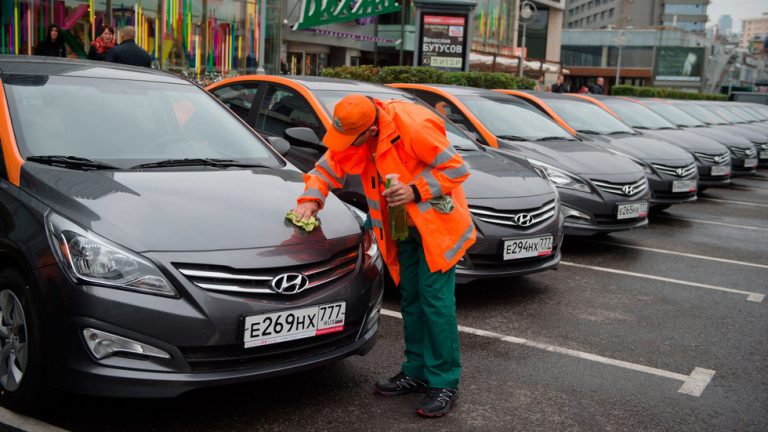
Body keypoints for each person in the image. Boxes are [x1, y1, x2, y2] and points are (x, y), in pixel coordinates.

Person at [292, 95, 475, 418]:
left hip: (435, 228)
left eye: (352, 139)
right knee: (412, 300)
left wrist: (416, 190)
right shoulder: (357, 131)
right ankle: (415, 372)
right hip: (401, 227)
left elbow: (457, 168)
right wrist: (310, 200)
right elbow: (326, 167)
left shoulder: (414, 127)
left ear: (371, 128)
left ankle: (444, 382)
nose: (347, 145)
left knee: (436, 303)